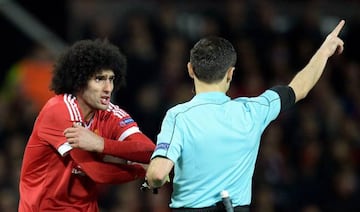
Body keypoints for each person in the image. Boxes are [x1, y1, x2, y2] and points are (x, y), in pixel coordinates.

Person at [145, 20, 345, 211]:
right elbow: (298, 89)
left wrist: (152, 178)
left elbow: (157, 174)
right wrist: (324, 51)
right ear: (231, 73)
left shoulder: (179, 116)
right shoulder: (253, 111)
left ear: (190, 70)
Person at [18, 39, 156, 212]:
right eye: (99, 79)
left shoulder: (111, 114)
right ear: (79, 81)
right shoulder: (58, 110)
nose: (108, 88)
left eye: (111, 79)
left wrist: (101, 144)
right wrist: (142, 170)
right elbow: (95, 171)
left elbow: (149, 150)